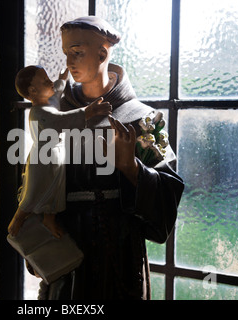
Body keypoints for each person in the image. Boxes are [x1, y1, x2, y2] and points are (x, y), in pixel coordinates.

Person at [36, 16, 184, 300]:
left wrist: (131, 167)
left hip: (119, 250)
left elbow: (168, 193)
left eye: (77, 52)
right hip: (64, 244)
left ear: (103, 54)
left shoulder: (142, 119)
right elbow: (36, 176)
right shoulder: (56, 117)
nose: (69, 62)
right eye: (66, 53)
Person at [8, 65, 112, 239]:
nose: (51, 83)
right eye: (46, 81)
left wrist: (62, 80)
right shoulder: (39, 112)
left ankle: (49, 218)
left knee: (55, 191)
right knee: (34, 190)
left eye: (49, 79)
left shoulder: (48, 101)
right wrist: (88, 112)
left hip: (56, 156)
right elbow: (61, 121)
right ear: (33, 91)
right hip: (42, 159)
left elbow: (56, 92)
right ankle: (19, 217)